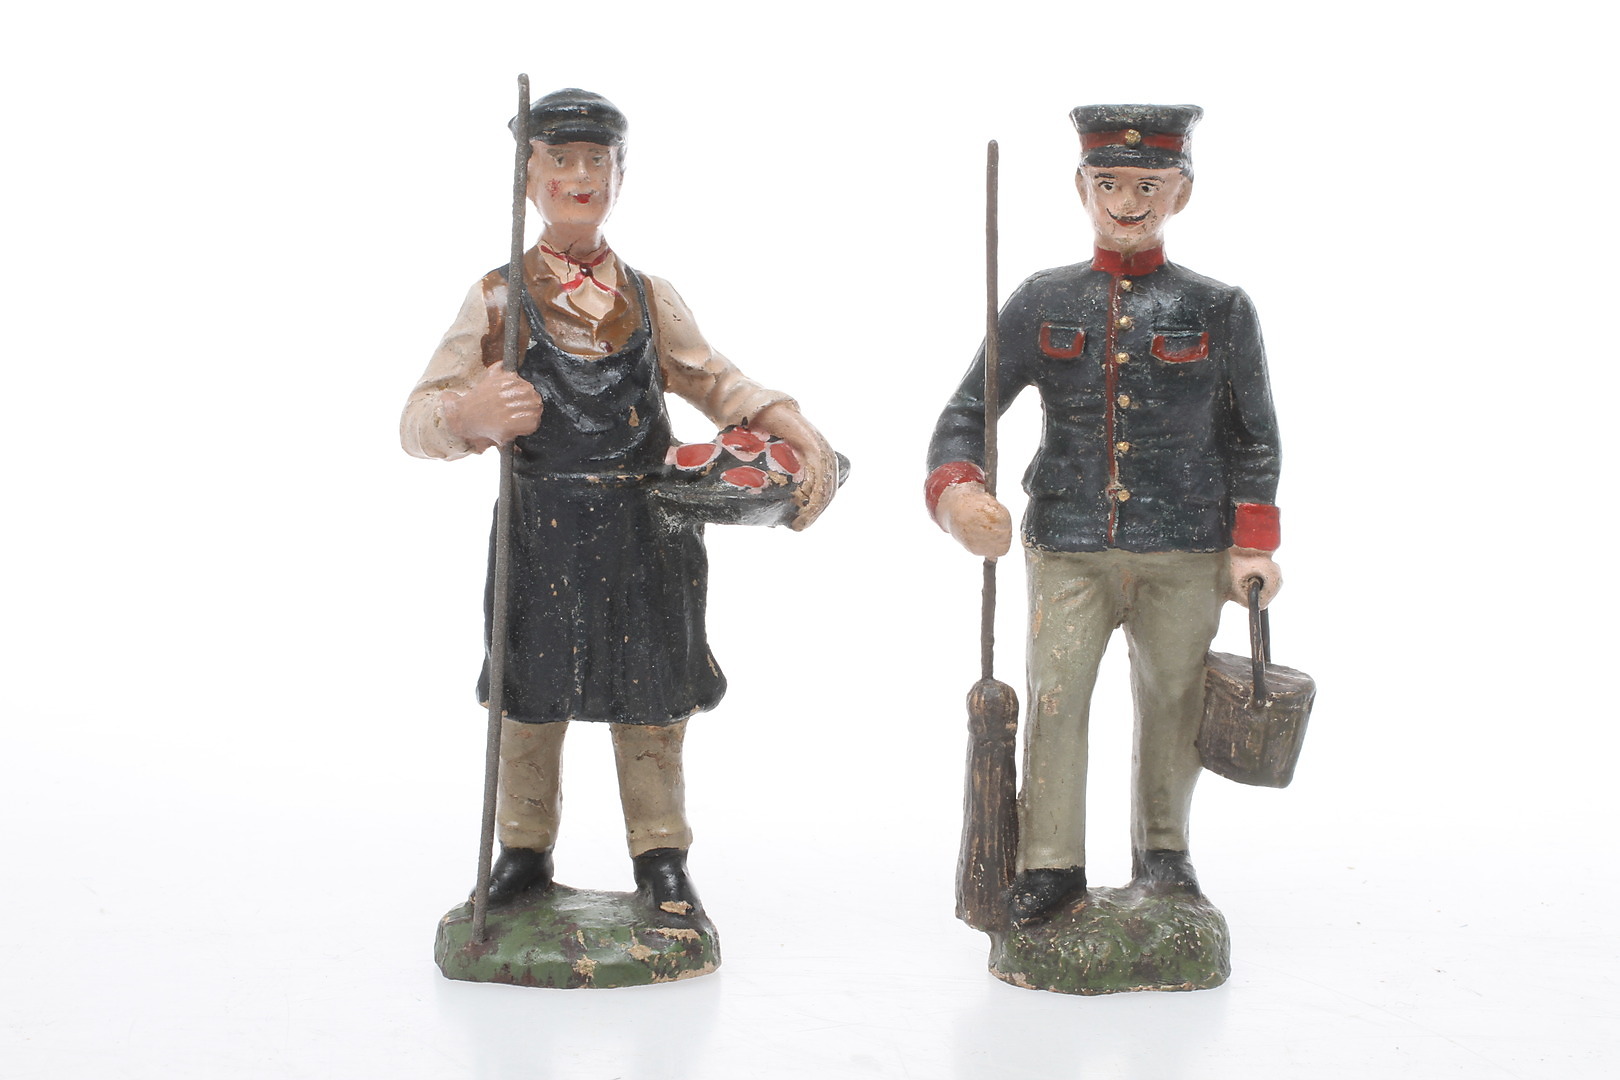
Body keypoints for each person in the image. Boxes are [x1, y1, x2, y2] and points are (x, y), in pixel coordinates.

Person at [402, 88, 835, 916]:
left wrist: (790, 425)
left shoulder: (650, 294)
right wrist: (466, 416)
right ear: (527, 178)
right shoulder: (497, 299)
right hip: (541, 533)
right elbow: (416, 419)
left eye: (596, 161)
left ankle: (661, 857)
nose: (580, 177)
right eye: (560, 160)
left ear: (619, 176)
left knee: (651, 700)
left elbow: (718, 382)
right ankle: (523, 851)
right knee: (529, 700)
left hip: (645, 534)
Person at [926, 104, 1282, 927]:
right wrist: (960, 494)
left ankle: (1165, 857)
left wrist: (1252, 545)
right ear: (1081, 187)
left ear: (1181, 193)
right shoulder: (1041, 299)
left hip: (1185, 548)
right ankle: (1051, 864)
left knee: (1175, 703)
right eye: (1109, 183)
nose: (1127, 203)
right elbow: (966, 414)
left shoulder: (1220, 309)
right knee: (1056, 700)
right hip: (1069, 545)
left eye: (1148, 186)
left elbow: (1253, 438)